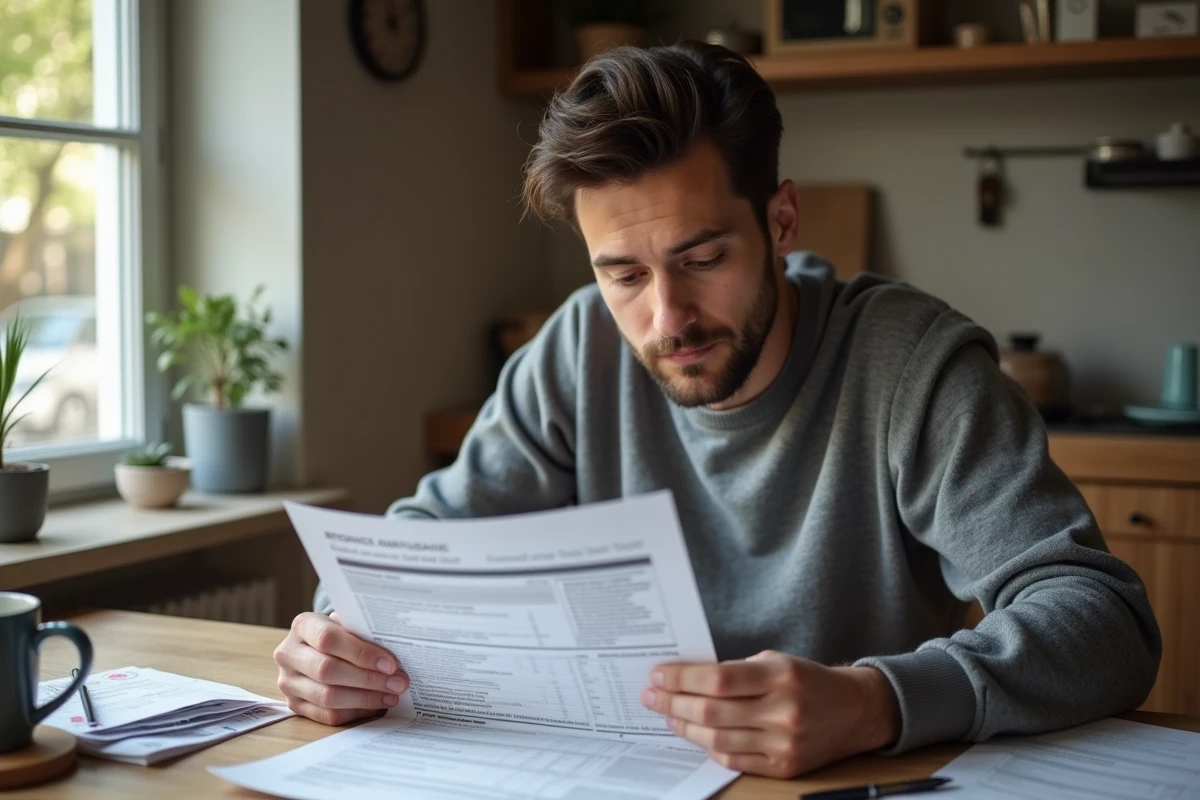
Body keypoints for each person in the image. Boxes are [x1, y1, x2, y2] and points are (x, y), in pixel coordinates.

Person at [273, 41, 1160, 778]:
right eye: (622, 273)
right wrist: (340, 643)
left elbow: (1103, 620)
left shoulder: (912, 366)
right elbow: (420, 548)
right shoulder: (579, 347)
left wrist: (875, 701)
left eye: (702, 258)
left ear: (780, 222)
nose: (666, 318)